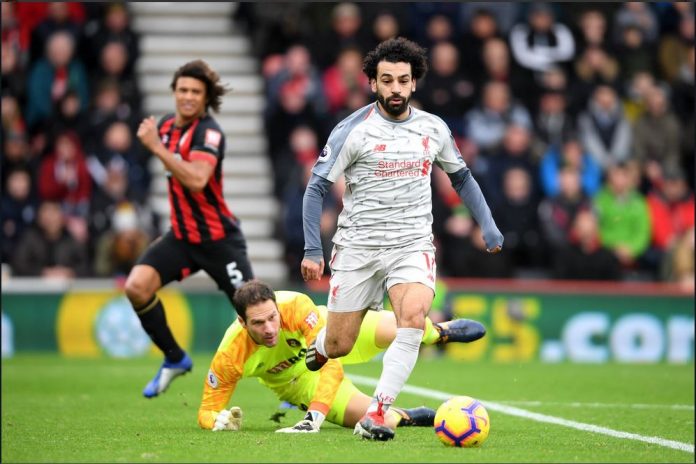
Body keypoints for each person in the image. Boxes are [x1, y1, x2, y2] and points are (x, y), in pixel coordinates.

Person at [300, 37, 503, 441]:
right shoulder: (352, 130)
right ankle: (321, 345)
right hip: (358, 248)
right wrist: (312, 248)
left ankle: (377, 413)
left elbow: (461, 177)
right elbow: (315, 187)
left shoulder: (433, 128)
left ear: (414, 83)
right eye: (387, 80)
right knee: (340, 344)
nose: (396, 88)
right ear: (373, 83)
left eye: (403, 80)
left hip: (412, 244)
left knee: (412, 318)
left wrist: (488, 223)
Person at [198, 280, 486, 433]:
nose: (270, 328)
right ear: (242, 322)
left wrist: (314, 416)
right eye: (258, 323)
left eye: (272, 317)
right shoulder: (230, 355)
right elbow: (206, 411)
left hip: (332, 335)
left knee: (397, 327)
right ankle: (407, 415)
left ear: (277, 306)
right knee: (377, 420)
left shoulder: (295, 305)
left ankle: (437, 333)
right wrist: (218, 422)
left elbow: (330, 359)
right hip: (297, 382)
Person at [124, 60, 254, 399]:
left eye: (196, 91)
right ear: (174, 92)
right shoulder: (166, 126)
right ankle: (174, 357)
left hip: (219, 241)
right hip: (182, 238)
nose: (188, 96)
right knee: (137, 287)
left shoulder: (209, 133)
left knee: (255, 312)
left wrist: (156, 147)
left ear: (206, 97)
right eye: (183, 89)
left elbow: (197, 180)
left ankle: (292, 377)